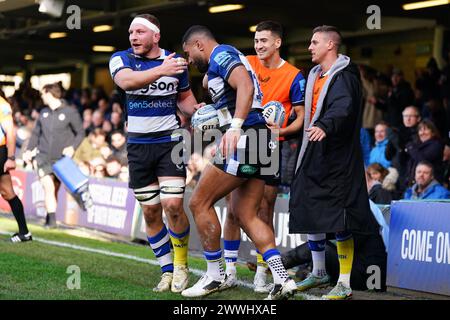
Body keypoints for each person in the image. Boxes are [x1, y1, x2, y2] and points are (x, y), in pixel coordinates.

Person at [181, 25, 297, 300]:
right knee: (245, 214)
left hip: (248, 136)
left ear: (199, 44)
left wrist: (234, 127)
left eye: (187, 54)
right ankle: (283, 279)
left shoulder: (221, 54)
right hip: (263, 140)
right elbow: (235, 91)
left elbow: (244, 85)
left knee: (199, 202)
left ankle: (214, 274)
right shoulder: (222, 61)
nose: (188, 61)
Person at [109, 13, 200, 293]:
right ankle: (166, 270)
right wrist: (162, 70)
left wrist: (199, 113)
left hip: (169, 143)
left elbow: (184, 100)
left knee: (173, 206)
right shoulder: (121, 59)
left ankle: (182, 267)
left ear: (155, 36)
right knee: (150, 213)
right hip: (138, 146)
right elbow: (127, 83)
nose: (133, 37)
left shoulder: (176, 63)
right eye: (131, 33)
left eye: (139, 32)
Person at [289, 26, 379, 300]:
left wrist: (325, 125)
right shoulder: (315, 75)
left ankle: (344, 283)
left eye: (314, 42)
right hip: (314, 152)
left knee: (340, 220)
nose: (309, 47)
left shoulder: (346, 76)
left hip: (338, 159)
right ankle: (319, 273)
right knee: (310, 210)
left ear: (330, 45)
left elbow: (344, 107)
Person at [221, 20, 306, 293]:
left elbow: (302, 120)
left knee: (265, 209)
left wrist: (279, 130)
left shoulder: (294, 76)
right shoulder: (244, 62)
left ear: (277, 43)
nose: (258, 46)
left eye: (264, 41)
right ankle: (229, 270)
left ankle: (262, 271)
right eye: (256, 41)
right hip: (240, 140)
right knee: (232, 209)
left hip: (268, 145)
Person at [23, 83, 84, 228]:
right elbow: (36, 134)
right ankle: (51, 221)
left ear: (50, 94)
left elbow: (80, 132)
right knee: (48, 187)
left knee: (54, 189)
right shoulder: (43, 113)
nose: (41, 96)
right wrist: (28, 150)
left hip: (61, 160)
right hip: (43, 157)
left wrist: (72, 147)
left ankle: (49, 217)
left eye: (43, 94)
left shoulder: (70, 112)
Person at [0, 96, 32, 242]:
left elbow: (10, 132)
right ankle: (24, 233)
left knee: (8, 192)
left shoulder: (2, 105)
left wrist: (11, 158)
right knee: (8, 192)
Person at [404, 119, 444, 187]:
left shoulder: (436, 145)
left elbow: (422, 160)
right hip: (415, 184)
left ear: (433, 132)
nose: (422, 133)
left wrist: (410, 147)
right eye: (420, 130)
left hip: (431, 185)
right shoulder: (417, 146)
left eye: (425, 129)